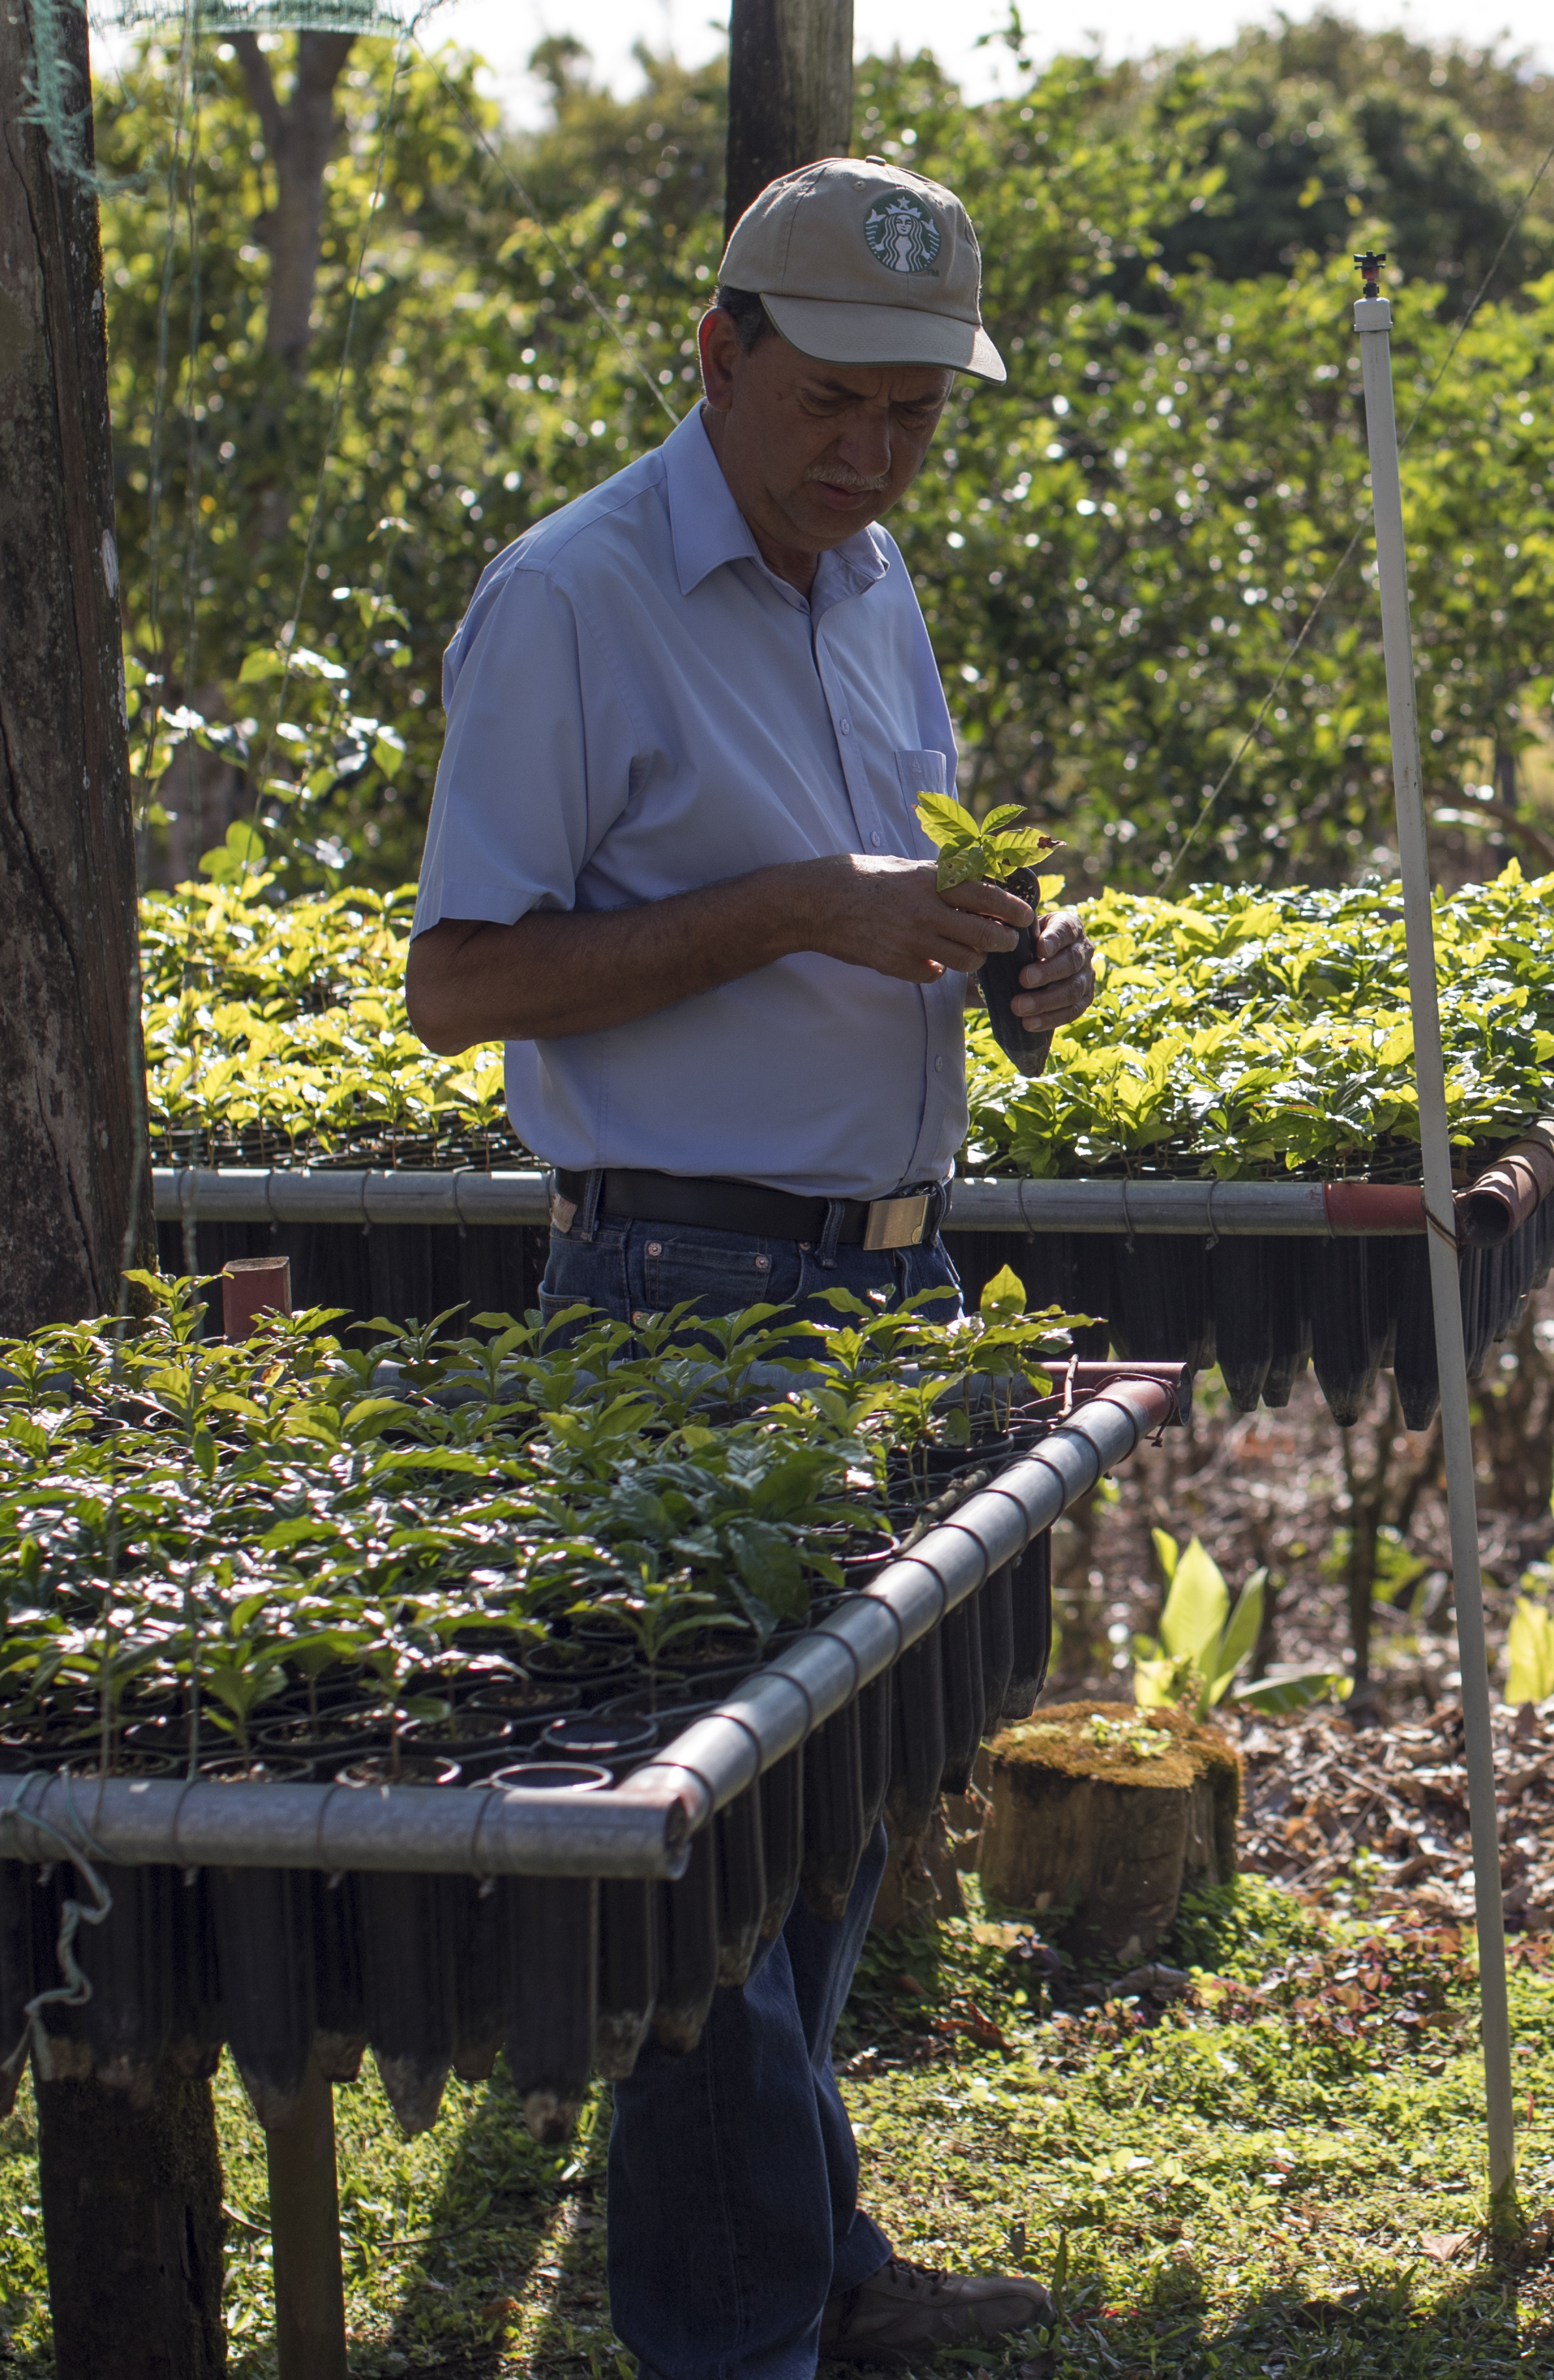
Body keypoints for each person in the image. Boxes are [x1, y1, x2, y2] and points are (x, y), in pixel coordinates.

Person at [402, 155, 1096, 2374]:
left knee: (830, 1835)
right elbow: (462, 983)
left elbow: (900, 879)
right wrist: (804, 903)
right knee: (707, 1865)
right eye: (834, 402)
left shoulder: (868, 582)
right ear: (713, 354)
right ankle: (734, 2334)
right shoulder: (572, 599)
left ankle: (806, 2270)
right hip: (680, 1301)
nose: (874, 456)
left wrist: (1008, 958)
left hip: (889, 1283)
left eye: (917, 415)